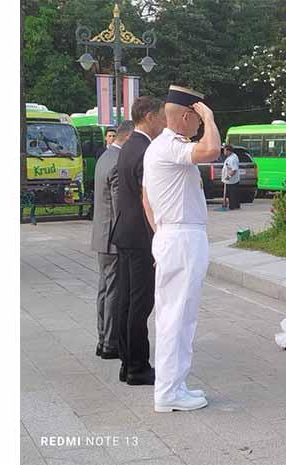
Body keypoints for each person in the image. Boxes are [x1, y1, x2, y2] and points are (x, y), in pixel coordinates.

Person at [142, 85, 220, 412]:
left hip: (174, 235)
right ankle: (169, 392)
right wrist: (210, 118)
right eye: (197, 119)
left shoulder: (159, 147)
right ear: (187, 116)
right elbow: (211, 150)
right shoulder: (171, 145)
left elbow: (146, 197)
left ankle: (175, 385)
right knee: (178, 317)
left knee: (177, 316)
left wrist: (161, 234)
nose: (200, 126)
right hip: (182, 237)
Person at [110, 96, 166, 386]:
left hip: (125, 232)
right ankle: (137, 367)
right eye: (162, 116)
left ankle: (126, 362)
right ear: (149, 116)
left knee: (125, 300)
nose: (165, 122)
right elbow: (149, 200)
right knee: (139, 304)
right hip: (141, 236)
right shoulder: (146, 150)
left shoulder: (128, 145)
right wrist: (159, 235)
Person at [91, 121, 134, 359]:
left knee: (104, 289)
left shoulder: (104, 157)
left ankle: (102, 338)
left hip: (102, 235)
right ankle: (110, 343)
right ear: (127, 138)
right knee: (114, 291)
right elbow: (120, 208)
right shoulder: (118, 162)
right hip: (113, 237)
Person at [221, 144, 241, 210]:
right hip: (230, 180)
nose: (224, 152)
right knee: (231, 193)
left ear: (228, 151)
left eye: (225, 150)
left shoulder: (233, 159)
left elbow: (234, 169)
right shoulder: (230, 157)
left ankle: (233, 206)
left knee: (232, 194)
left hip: (232, 180)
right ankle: (235, 205)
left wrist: (229, 176)